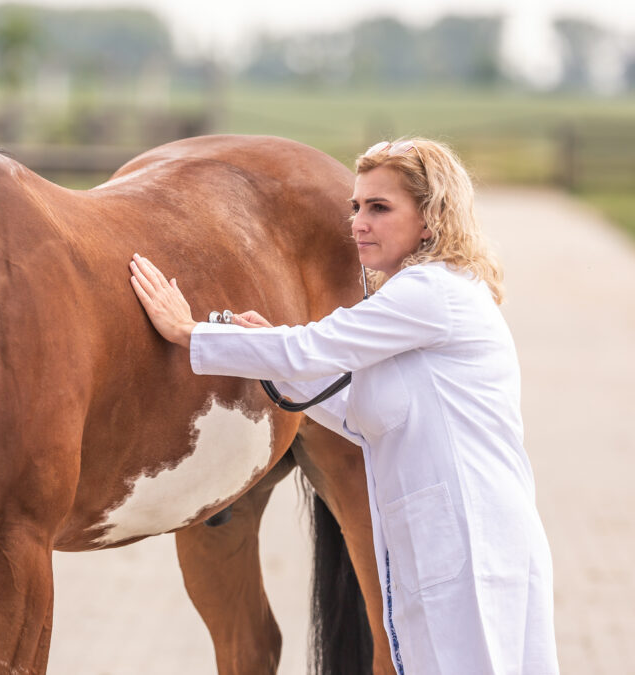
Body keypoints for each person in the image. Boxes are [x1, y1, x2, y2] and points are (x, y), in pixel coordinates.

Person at [129, 138, 559, 674]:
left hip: (473, 542)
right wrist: (271, 358)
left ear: (430, 219)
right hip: (435, 543)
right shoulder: (418, 296)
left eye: (379, 208)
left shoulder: (431, 292)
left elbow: (310, 347)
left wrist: (189, 332)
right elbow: (351, 408)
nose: (358, 222)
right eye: (356, 206)